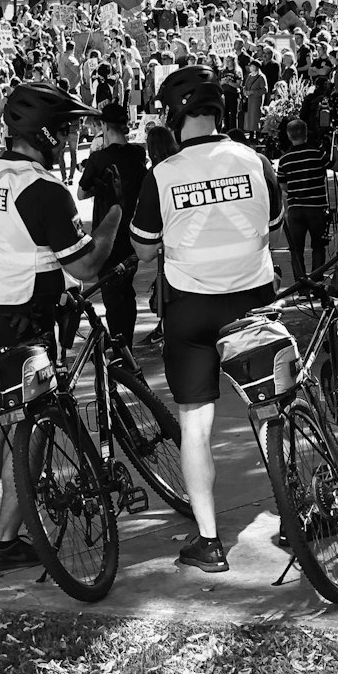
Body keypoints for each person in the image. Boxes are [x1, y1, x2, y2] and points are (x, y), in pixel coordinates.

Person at [0, 82, 121, 573]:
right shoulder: (44, 191)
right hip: (32, 322)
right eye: (63, 130)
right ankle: (4, 542)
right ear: (42, 131)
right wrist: (113, 217)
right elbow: (85, 266)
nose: (67, 138)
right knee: (34, 432)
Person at [130, 66, 283, 574]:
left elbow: (144, 251)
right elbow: (273, 224)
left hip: (191, 307)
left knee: (196, 426)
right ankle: (297, 514)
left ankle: (210, 542)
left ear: (175, 118)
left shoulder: (163, 174)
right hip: (253, 301)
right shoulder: (258, 161)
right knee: (271, 412)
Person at [78, 102, 148, 349]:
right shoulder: (138, 154)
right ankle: (125, 340)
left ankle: (120, 345)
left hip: (106, 235)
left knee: (111, 292)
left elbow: (81, 193)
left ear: (104, 126)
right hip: (131, 230)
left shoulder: (99, 158)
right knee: (126, 290)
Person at [277, 119, 331, 281]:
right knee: (318, 245)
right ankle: (317, 280)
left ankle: (301, 284)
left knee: (296, 249)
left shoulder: (284, 160)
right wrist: (332, 146)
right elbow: (337, 167)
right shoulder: (317, 154)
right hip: (316, 207)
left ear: (288, 135)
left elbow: (284, 186)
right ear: (306, 133)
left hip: (296, 209)